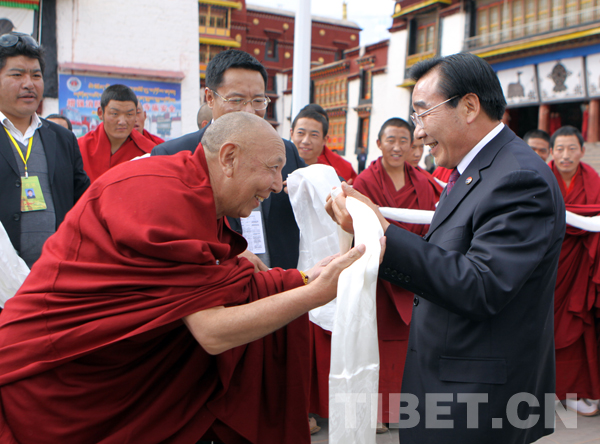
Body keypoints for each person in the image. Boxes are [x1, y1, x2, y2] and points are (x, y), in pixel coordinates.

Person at [0, 112, 367, 444]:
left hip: (105, 370)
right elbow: (212, 331)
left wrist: (303, 277)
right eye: (272, 168)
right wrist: (315, 293)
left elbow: (216, 287)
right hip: (55, 378)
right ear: (228, 158)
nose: (276, 185)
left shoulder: (190, 189)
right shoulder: (165, 196)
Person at [327, 52, 565, 444]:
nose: (418, 133)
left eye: (422, 114)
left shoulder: (519, 178)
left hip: (480, 398)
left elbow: (481, 285)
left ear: (469, 106)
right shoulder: (475, 171)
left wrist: (382, 232)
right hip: (447, 380)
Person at [152, 49, 305, 270]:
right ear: (209, 98)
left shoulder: (285, 152)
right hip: (214, 288)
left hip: (277, 287)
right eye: (236, 100)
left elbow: (326, 187)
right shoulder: (172, 155)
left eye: (258, 101)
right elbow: (167, 231)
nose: (249, 111)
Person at [355, 117, 442, 431]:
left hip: (415, 272)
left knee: (410, 345)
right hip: (378, 275)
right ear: (378, 144)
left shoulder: (423, 180)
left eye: (403, 140)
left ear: (412, 145)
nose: (396, 147)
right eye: (390, 140)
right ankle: (376, 411)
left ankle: (404, 408)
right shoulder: (364, 181)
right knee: (375, 343)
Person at [0, 32, 89, 268]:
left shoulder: (63, 139)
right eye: (17, 74)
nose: (29, 83)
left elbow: (83, 201)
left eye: (36, 75)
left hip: (53, 276)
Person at [549, 125, 600, 416]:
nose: (566, 155)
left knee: (577, 329)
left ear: (583, 151)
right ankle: (539, 391)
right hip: (544, 266)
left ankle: (573, 392)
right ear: (551, 152)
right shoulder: (540, 178)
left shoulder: (594, 182)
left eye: (572, 148)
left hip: (579, 265)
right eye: (560, 149)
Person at [78, 84, 156, 183]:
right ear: (101, 113)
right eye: (115, 114)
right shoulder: (79, 148)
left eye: (129, 114)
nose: (122, 121)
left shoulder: (149, 152)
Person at [290, 103, 357, 182]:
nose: (306, 141)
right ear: (292, 133)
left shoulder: (333, 172)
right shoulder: (278, 163)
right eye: (301, 133)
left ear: (324, 139)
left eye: (314, 135)